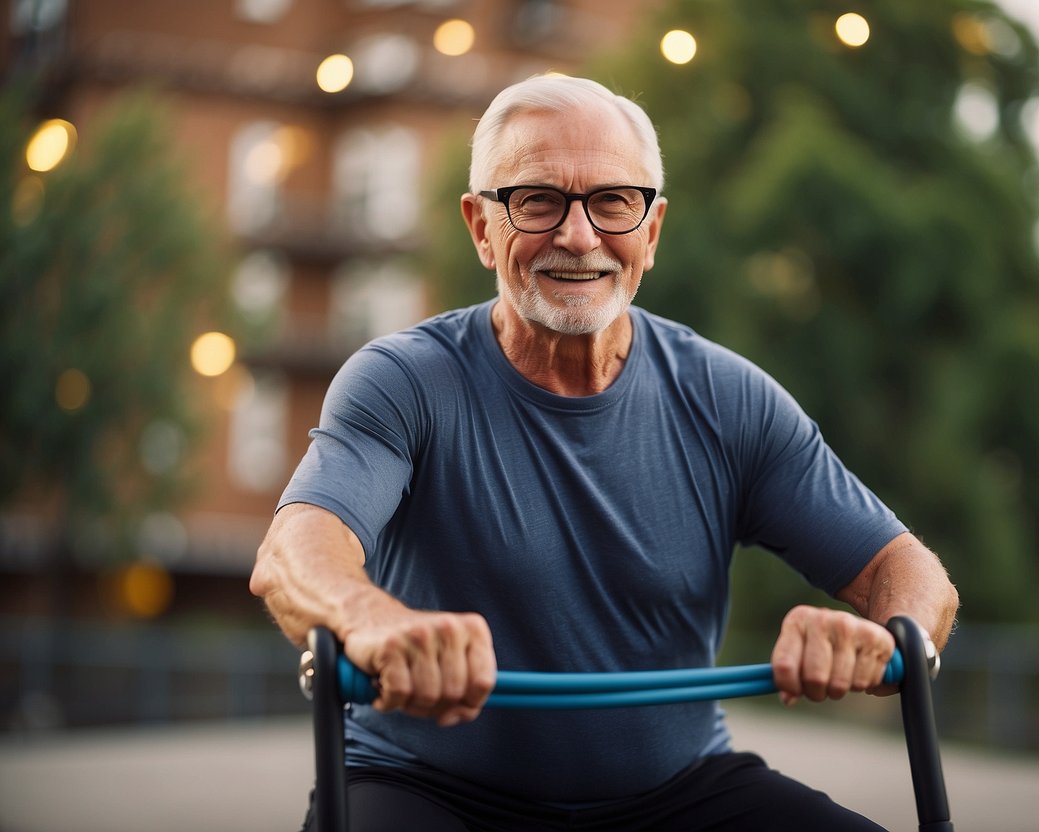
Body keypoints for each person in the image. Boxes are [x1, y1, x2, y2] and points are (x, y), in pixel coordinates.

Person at [250, 74, 959, 832]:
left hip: (679, 793)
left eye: (612, 201)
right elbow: (294, 553)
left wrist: (882, 638)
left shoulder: (728, 399)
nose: (578, 236)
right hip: (426, 787)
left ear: (650, 232)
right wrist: (372, 620)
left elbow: (910, 573)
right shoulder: (403, 382)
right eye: (537, 200)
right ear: (481, 227)